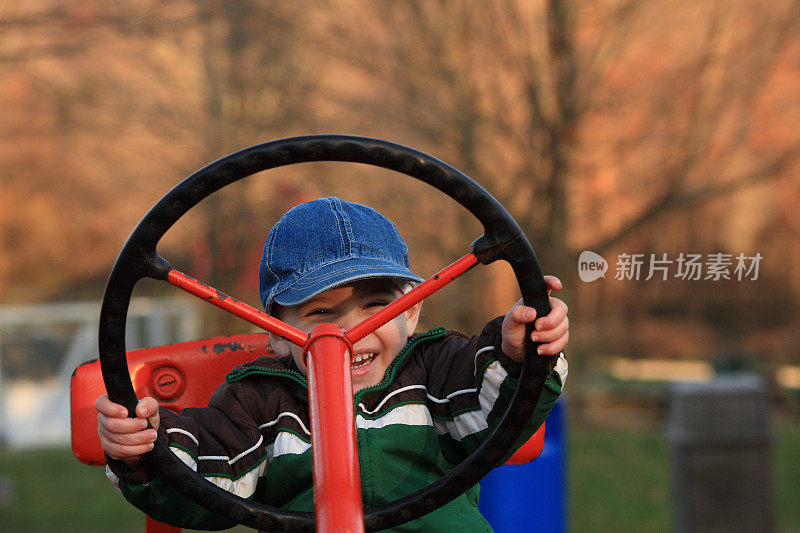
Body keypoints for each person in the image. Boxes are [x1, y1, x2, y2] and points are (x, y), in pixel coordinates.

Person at [96, 197, 569, 531]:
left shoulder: (438, 370)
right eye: (321, 314)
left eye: (376, 306)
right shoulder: (259, 403)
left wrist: (519, 352)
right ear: (275, 333)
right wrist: (145, 452)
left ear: (411, 311)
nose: (348, 334)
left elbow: (501, 412)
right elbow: (207, 483)